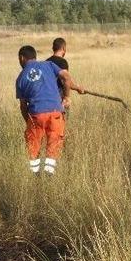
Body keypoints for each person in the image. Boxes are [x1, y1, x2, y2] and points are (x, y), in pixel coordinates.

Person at [15, 45, 81, 175]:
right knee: (53, 146)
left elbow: (23, 106)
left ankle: (35, 177)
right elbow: (66, 77)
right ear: (35, 56)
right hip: (55, 113)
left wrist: (29, 122)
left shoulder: (20, 78)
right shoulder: (49, 65)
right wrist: (67, 97)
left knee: (33, 148)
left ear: (22, 58)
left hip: (35, 115)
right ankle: (49, 175)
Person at [46, 37, 85, 112]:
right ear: (63, 48)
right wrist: (67, 97)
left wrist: (77, 88)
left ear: (53, 48)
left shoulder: (46, 62)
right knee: (62, 121)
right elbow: (66, 80)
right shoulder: (62, 62)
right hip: (59, 97)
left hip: (47, 97)